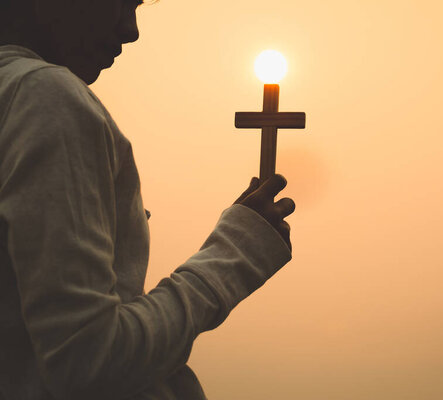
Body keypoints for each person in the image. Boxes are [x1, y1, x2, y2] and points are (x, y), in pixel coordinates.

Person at [0, 0, 296, 399]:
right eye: (120, 2)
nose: (130, 29)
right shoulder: (43, 95)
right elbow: (88, 360)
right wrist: (233, 256)